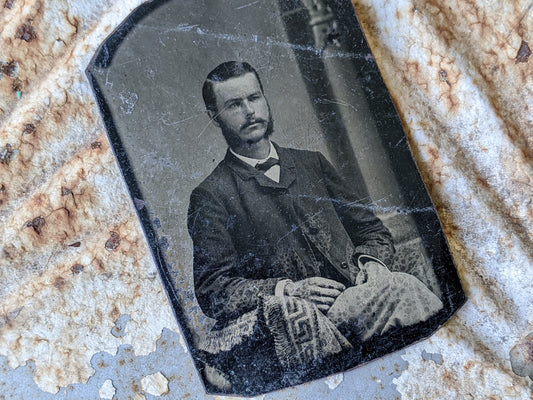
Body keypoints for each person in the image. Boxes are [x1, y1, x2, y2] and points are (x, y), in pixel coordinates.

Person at [187, 61, 443, 393]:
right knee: (404, 292)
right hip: (303, 326)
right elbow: (213, 291)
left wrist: (371, 264)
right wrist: (287, 290)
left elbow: (371, 231)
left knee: (401, 290)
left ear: (265, 99)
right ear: (214, 116)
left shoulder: (311, 163)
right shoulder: (211, 195)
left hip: (359, 299)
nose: (249, 112)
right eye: (234, 105)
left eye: (254, 97)